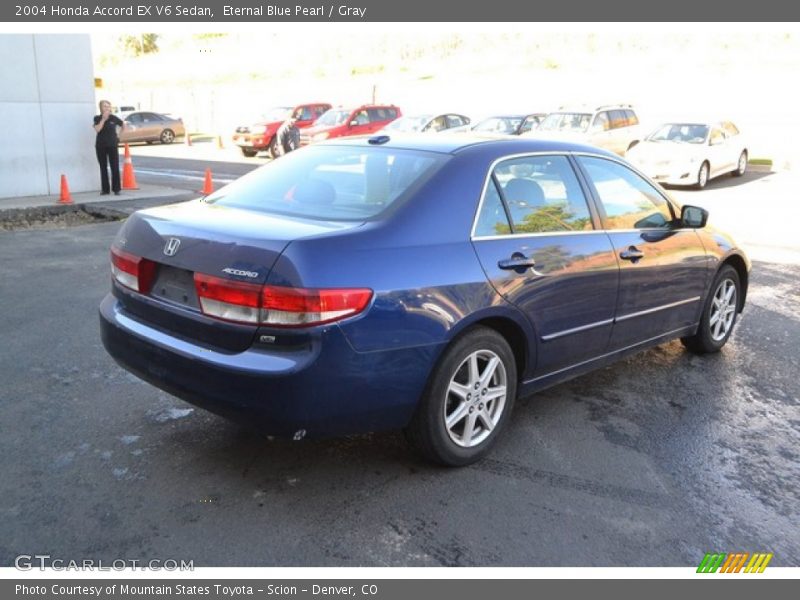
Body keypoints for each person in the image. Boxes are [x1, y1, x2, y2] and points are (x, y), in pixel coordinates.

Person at [92, 100, 125, 195]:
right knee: (103, 167)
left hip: (112, 145)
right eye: (104, 106)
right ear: (101, 108)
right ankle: (105, 190)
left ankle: (116, 189)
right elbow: (98, 129)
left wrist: (119, 136)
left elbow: (123, 125)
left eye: (108, 106)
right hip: (100, 146)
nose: (107, 108)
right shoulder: (97, 118)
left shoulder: (113, 118)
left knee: (114, 167)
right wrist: (103, 119)